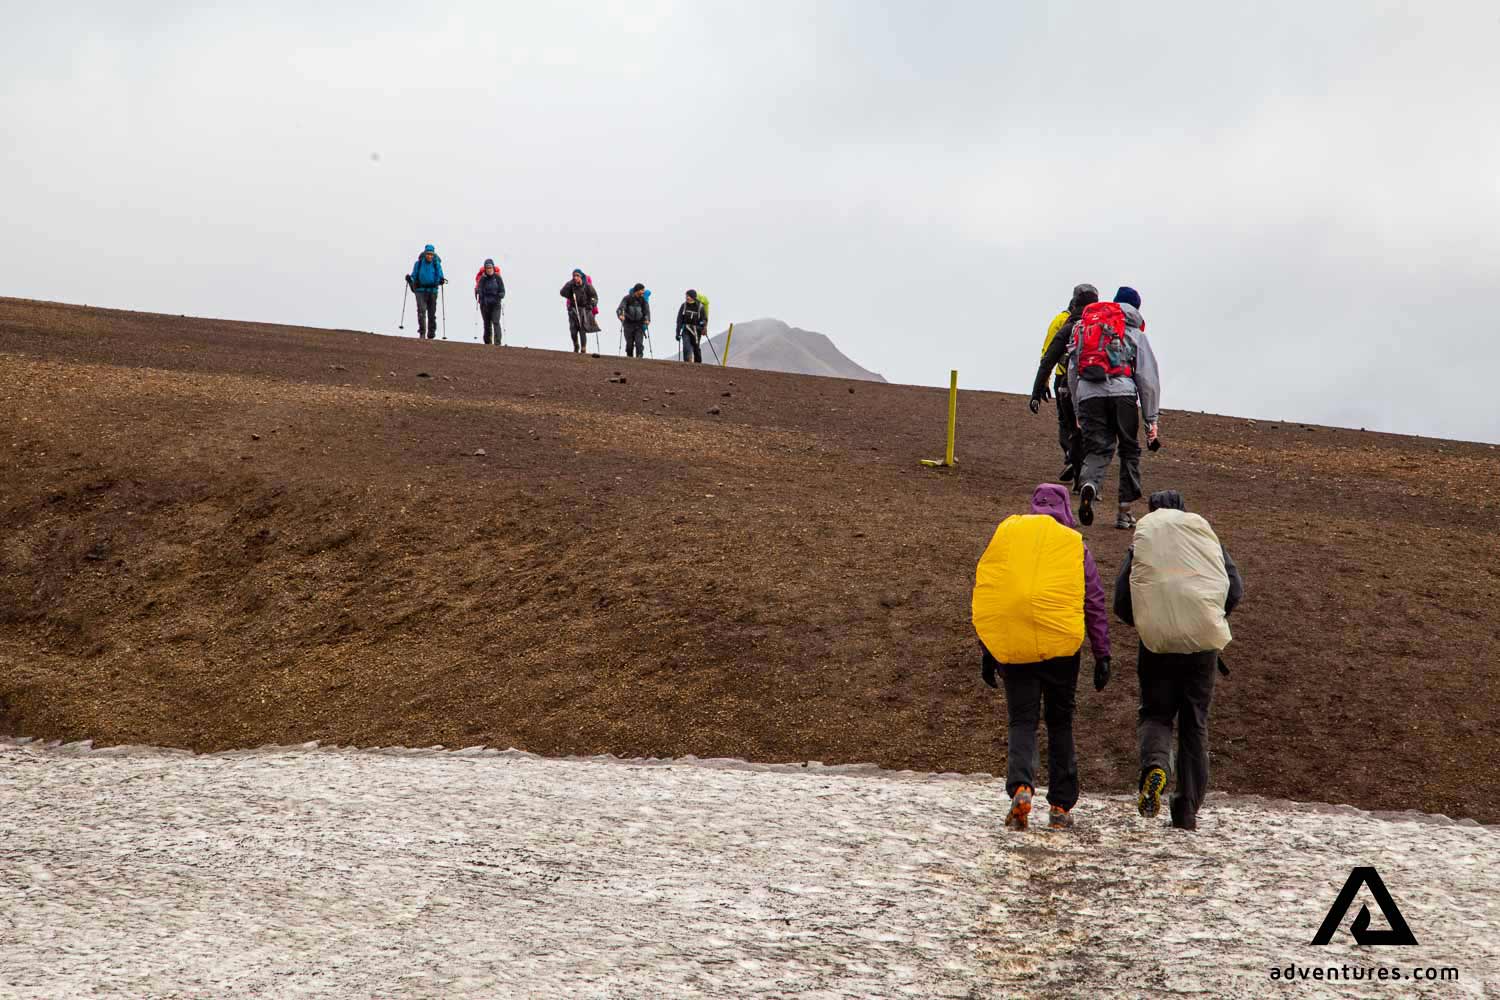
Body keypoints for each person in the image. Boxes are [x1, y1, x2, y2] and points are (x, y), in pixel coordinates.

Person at [972, 483, 1111, 832]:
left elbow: (992, 591)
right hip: (1062, 647)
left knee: (1022, 720)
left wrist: (988, 649)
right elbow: (1093, 601)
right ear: (1065, 508)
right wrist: (1102, 653)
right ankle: (1061, 806)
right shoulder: (1073, 545)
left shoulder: (1009, 536)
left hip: (1015, 645)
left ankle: (1021, 787)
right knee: (1060, 722)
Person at [1112, 490, 1244, 831]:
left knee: (1156, 713)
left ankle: (1156, 766)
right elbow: (1235, 587)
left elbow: (1122, 599)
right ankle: (1186, 810)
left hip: (1156, 645)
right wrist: (1211, 618)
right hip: (1202, 646)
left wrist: (1146, 623)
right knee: (1194, 722)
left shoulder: (1143, 540)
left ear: (1153, 512)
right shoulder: (1204, 537)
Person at [1068, 286, 1161, 529]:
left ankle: (1089, 485)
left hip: (1089, 393)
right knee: (1129, 450)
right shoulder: (1135, 334)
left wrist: (1078, 409)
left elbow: (1072, 369)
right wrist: (1151, 420)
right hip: (1123, 393)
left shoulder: (1086, 327)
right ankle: (1124, 511)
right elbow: (1147, 379)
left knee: (1098, 449)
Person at [1030, 284, 1098, 487]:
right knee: (1089, 430)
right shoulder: (1103, 324)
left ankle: (1073, 461)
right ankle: (1083, 471)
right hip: (1096, 383)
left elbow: (1048, 354)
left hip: (1065, 381)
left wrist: (1040, 385)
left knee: (1069, 427)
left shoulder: (1064, 322)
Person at [407, 244, 446, 340]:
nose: (430, 256)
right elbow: (414, 275)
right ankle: (422, 333)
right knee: (421, 311)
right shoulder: (418, 263)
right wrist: (410, 279)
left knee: (431, 313)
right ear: (425, 254)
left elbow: (440, 275)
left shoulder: (436, 264)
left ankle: (431, 333)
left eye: (431, 254)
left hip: (432, 291)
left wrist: (441, 280)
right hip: (420, 291)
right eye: (428, 254)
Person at [559, 269, 600, 353]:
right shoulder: (571, 286)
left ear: (581, 276)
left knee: (582, 329)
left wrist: (592, 305)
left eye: (577, 275)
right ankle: (576, 344)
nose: (575, 277)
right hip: (573, 310)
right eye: (574, 276)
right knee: (573, 330)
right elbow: (562, 293)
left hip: (584, 310)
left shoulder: (588, 286)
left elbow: (594, 297)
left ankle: (583, 348)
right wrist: (570, 283)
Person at [474, 259, 506, 345]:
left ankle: (497, 343)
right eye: (487, 268)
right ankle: (488, 343)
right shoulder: (482, 279)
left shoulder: (498, 278)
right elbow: (479, 290)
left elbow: (502, 289)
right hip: (485, 305)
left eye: (490, 267)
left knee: (496, 322)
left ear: (493, 267)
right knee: (487, 324)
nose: (489, 269)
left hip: (496, 304)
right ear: (485, 269)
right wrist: (482, 299)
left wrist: (501, 295)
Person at [617, 283, 651, 359]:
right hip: (628, 324)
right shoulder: (627, 298)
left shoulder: (643, 300)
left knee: (639, 343)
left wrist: (647, 319)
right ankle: (629, 357)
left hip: (639, 325)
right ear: (637, 290)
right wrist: (620, 315)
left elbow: (646, 311)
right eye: (642, 290)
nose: (643, 292)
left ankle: (639, 358)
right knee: (629, 344)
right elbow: (621, 308)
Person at [676, 290, 708, 363]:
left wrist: (702, 323)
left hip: (696, 330)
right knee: (686, 347)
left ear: (693, 297)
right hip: (686, 329)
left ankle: (698, 364)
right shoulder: (683, 306)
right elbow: (679, 320)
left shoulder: (700, 307)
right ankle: (687, 364)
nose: (687, 298)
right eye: (686, 296)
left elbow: (704, 319)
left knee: (696, 348)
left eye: (688, 296)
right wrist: (677, 333)